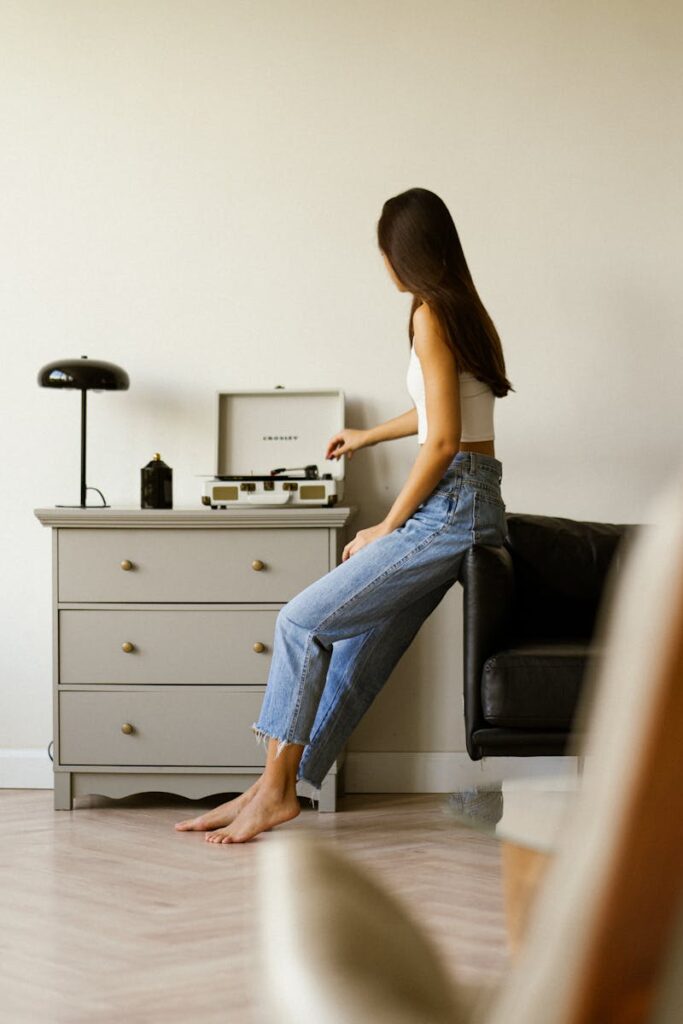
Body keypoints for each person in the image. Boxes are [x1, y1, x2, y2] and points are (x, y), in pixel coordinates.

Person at [175, 187, 514, 843]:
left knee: (301, 620)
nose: (382, 261)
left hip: (452, 504)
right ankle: (270, 786)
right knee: (358, 648)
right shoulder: (460, 309)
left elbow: (443, 442)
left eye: (385, 248)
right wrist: (368, 435)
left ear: (405, 252)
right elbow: (442, 413)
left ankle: (274, 792)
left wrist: (386, 525)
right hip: (473, 501)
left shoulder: (430, 316)